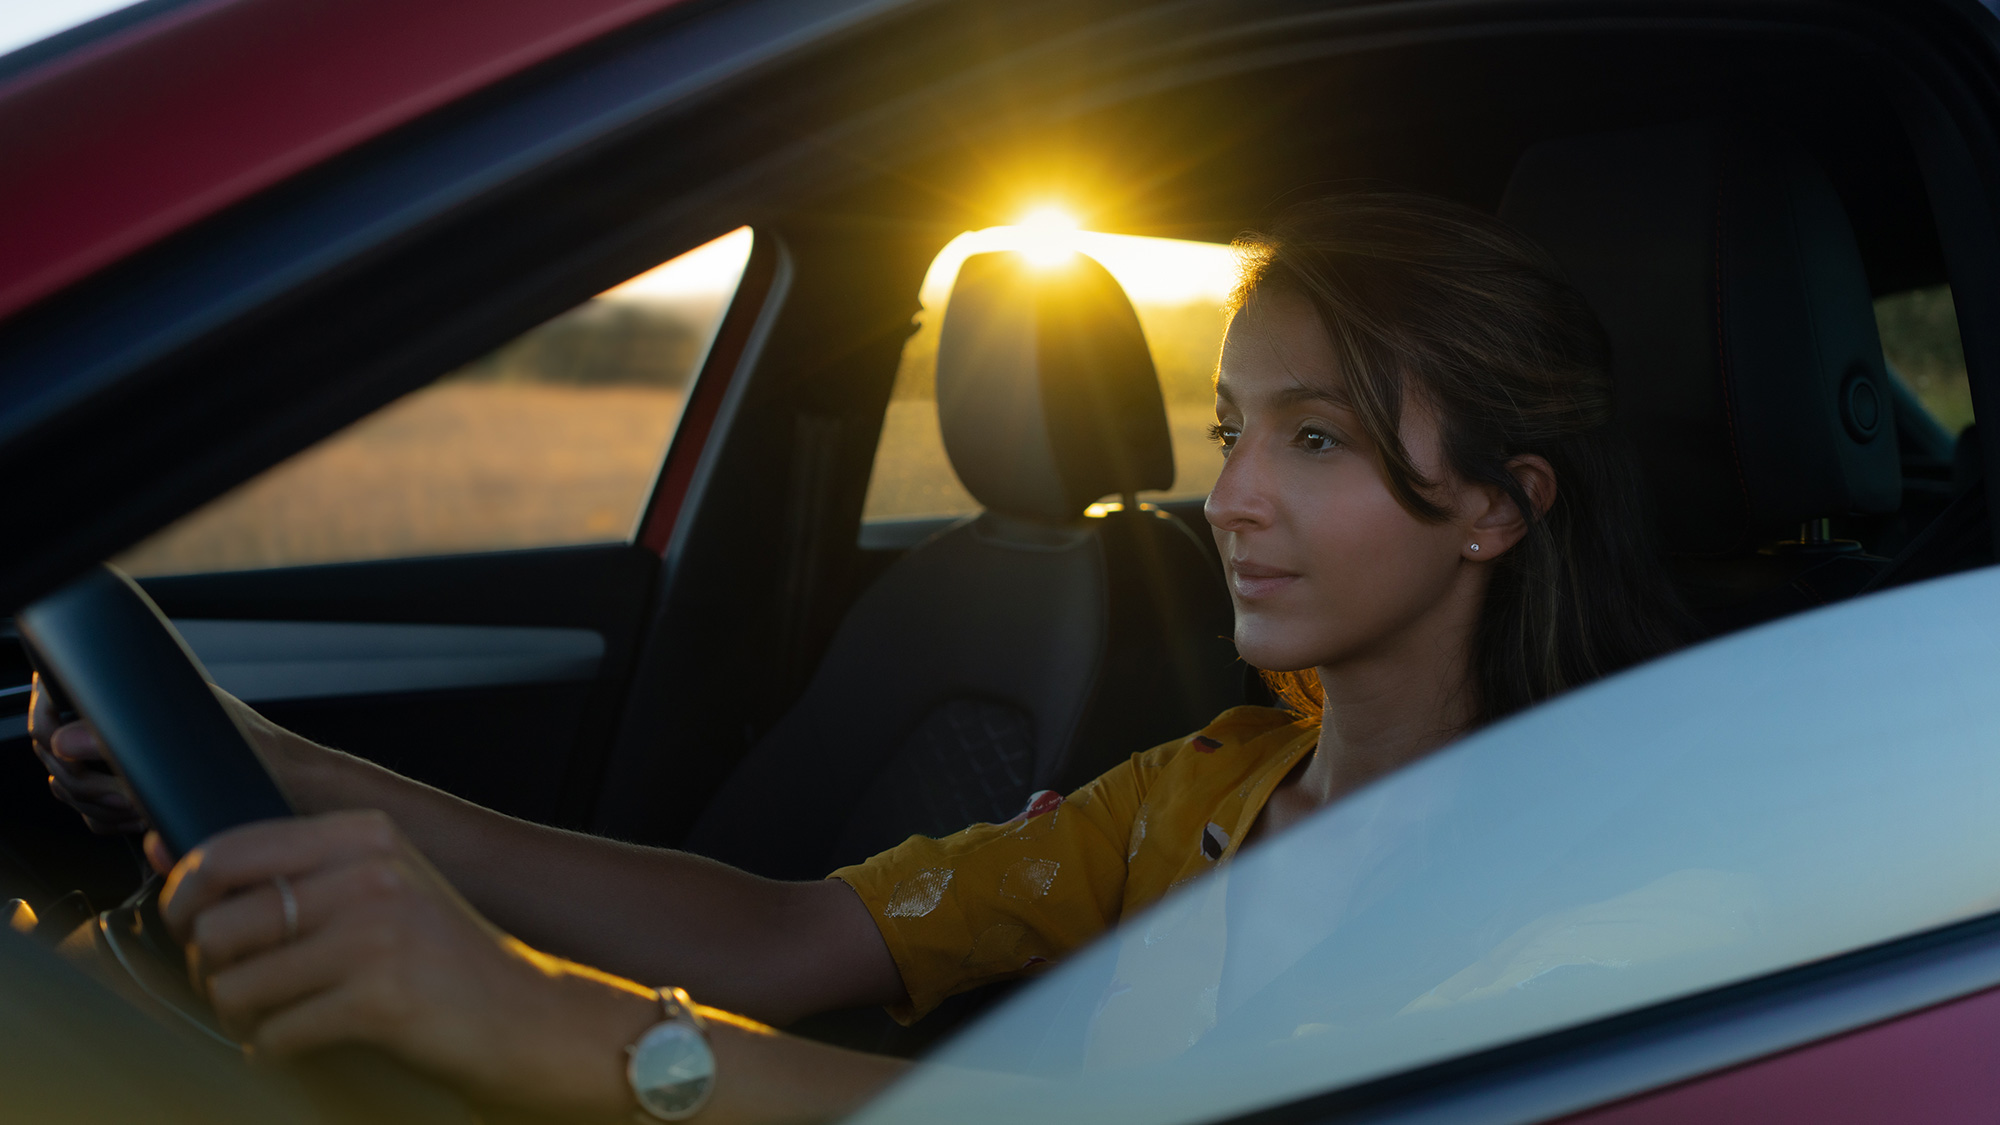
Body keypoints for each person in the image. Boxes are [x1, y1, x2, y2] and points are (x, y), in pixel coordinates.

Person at [28, 193, 1688, 1123]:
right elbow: (789, 928)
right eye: (1231, 424)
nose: (1229, 495)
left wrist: (551, 1026)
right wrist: (282, 758)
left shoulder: (1590, 883)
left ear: (1494, 506)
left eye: (1314, 439)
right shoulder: (1208, 787)